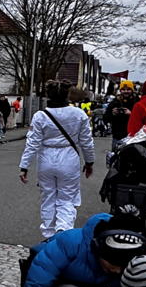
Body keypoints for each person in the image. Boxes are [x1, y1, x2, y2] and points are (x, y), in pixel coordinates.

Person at [19, 81, 94, 240]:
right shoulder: (79, 114)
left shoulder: (40, 116)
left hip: (46, 159)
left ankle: (48, 234)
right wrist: (89, 162)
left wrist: (24, 166)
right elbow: (86, 141)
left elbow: (32, 143)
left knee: (48, 197)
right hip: (69, 159)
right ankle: (63, 233)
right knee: (66, 198)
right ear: (67, 95)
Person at [105, 81, 137, 152]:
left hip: (133, 137)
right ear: (120, 90)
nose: (126, 91)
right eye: (123, 89)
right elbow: (106, 118)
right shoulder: (114, 102)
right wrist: (112, 113)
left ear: (132, 90)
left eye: (128, 89)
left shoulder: (137, 102)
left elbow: (143, 119)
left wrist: (131, 114)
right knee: (115, 158)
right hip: (117, 136)